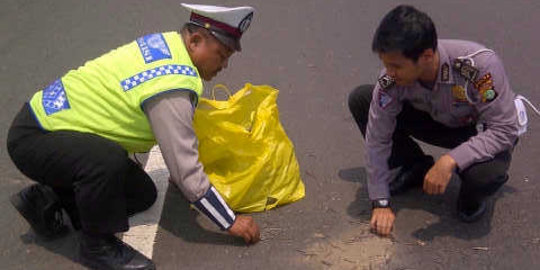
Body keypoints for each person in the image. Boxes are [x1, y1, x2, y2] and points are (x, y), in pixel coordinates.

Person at [7, 3, 260, 269]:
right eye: (222, 55)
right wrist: (230, 221)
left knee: (142, 194)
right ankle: (97, 247)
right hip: (36, 137)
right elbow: (185, 170)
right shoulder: (172, 84)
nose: (225, 65)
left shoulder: (169, 44)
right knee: (107, 160)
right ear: (195, 41)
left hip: (47, 130)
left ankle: (45, 198)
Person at [348, 5, 528, 237]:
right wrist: (380, 202)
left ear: (426, 56)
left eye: (396, 66)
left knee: (484, 176)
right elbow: (377, 140)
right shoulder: (390, 81)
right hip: (435, 122)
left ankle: (471, 195)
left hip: (479, 130)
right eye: (385, 64)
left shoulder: (478, 66)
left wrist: (451, 160)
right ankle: (413, 165)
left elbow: (505, 130)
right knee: (363, 98)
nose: (389, 72)